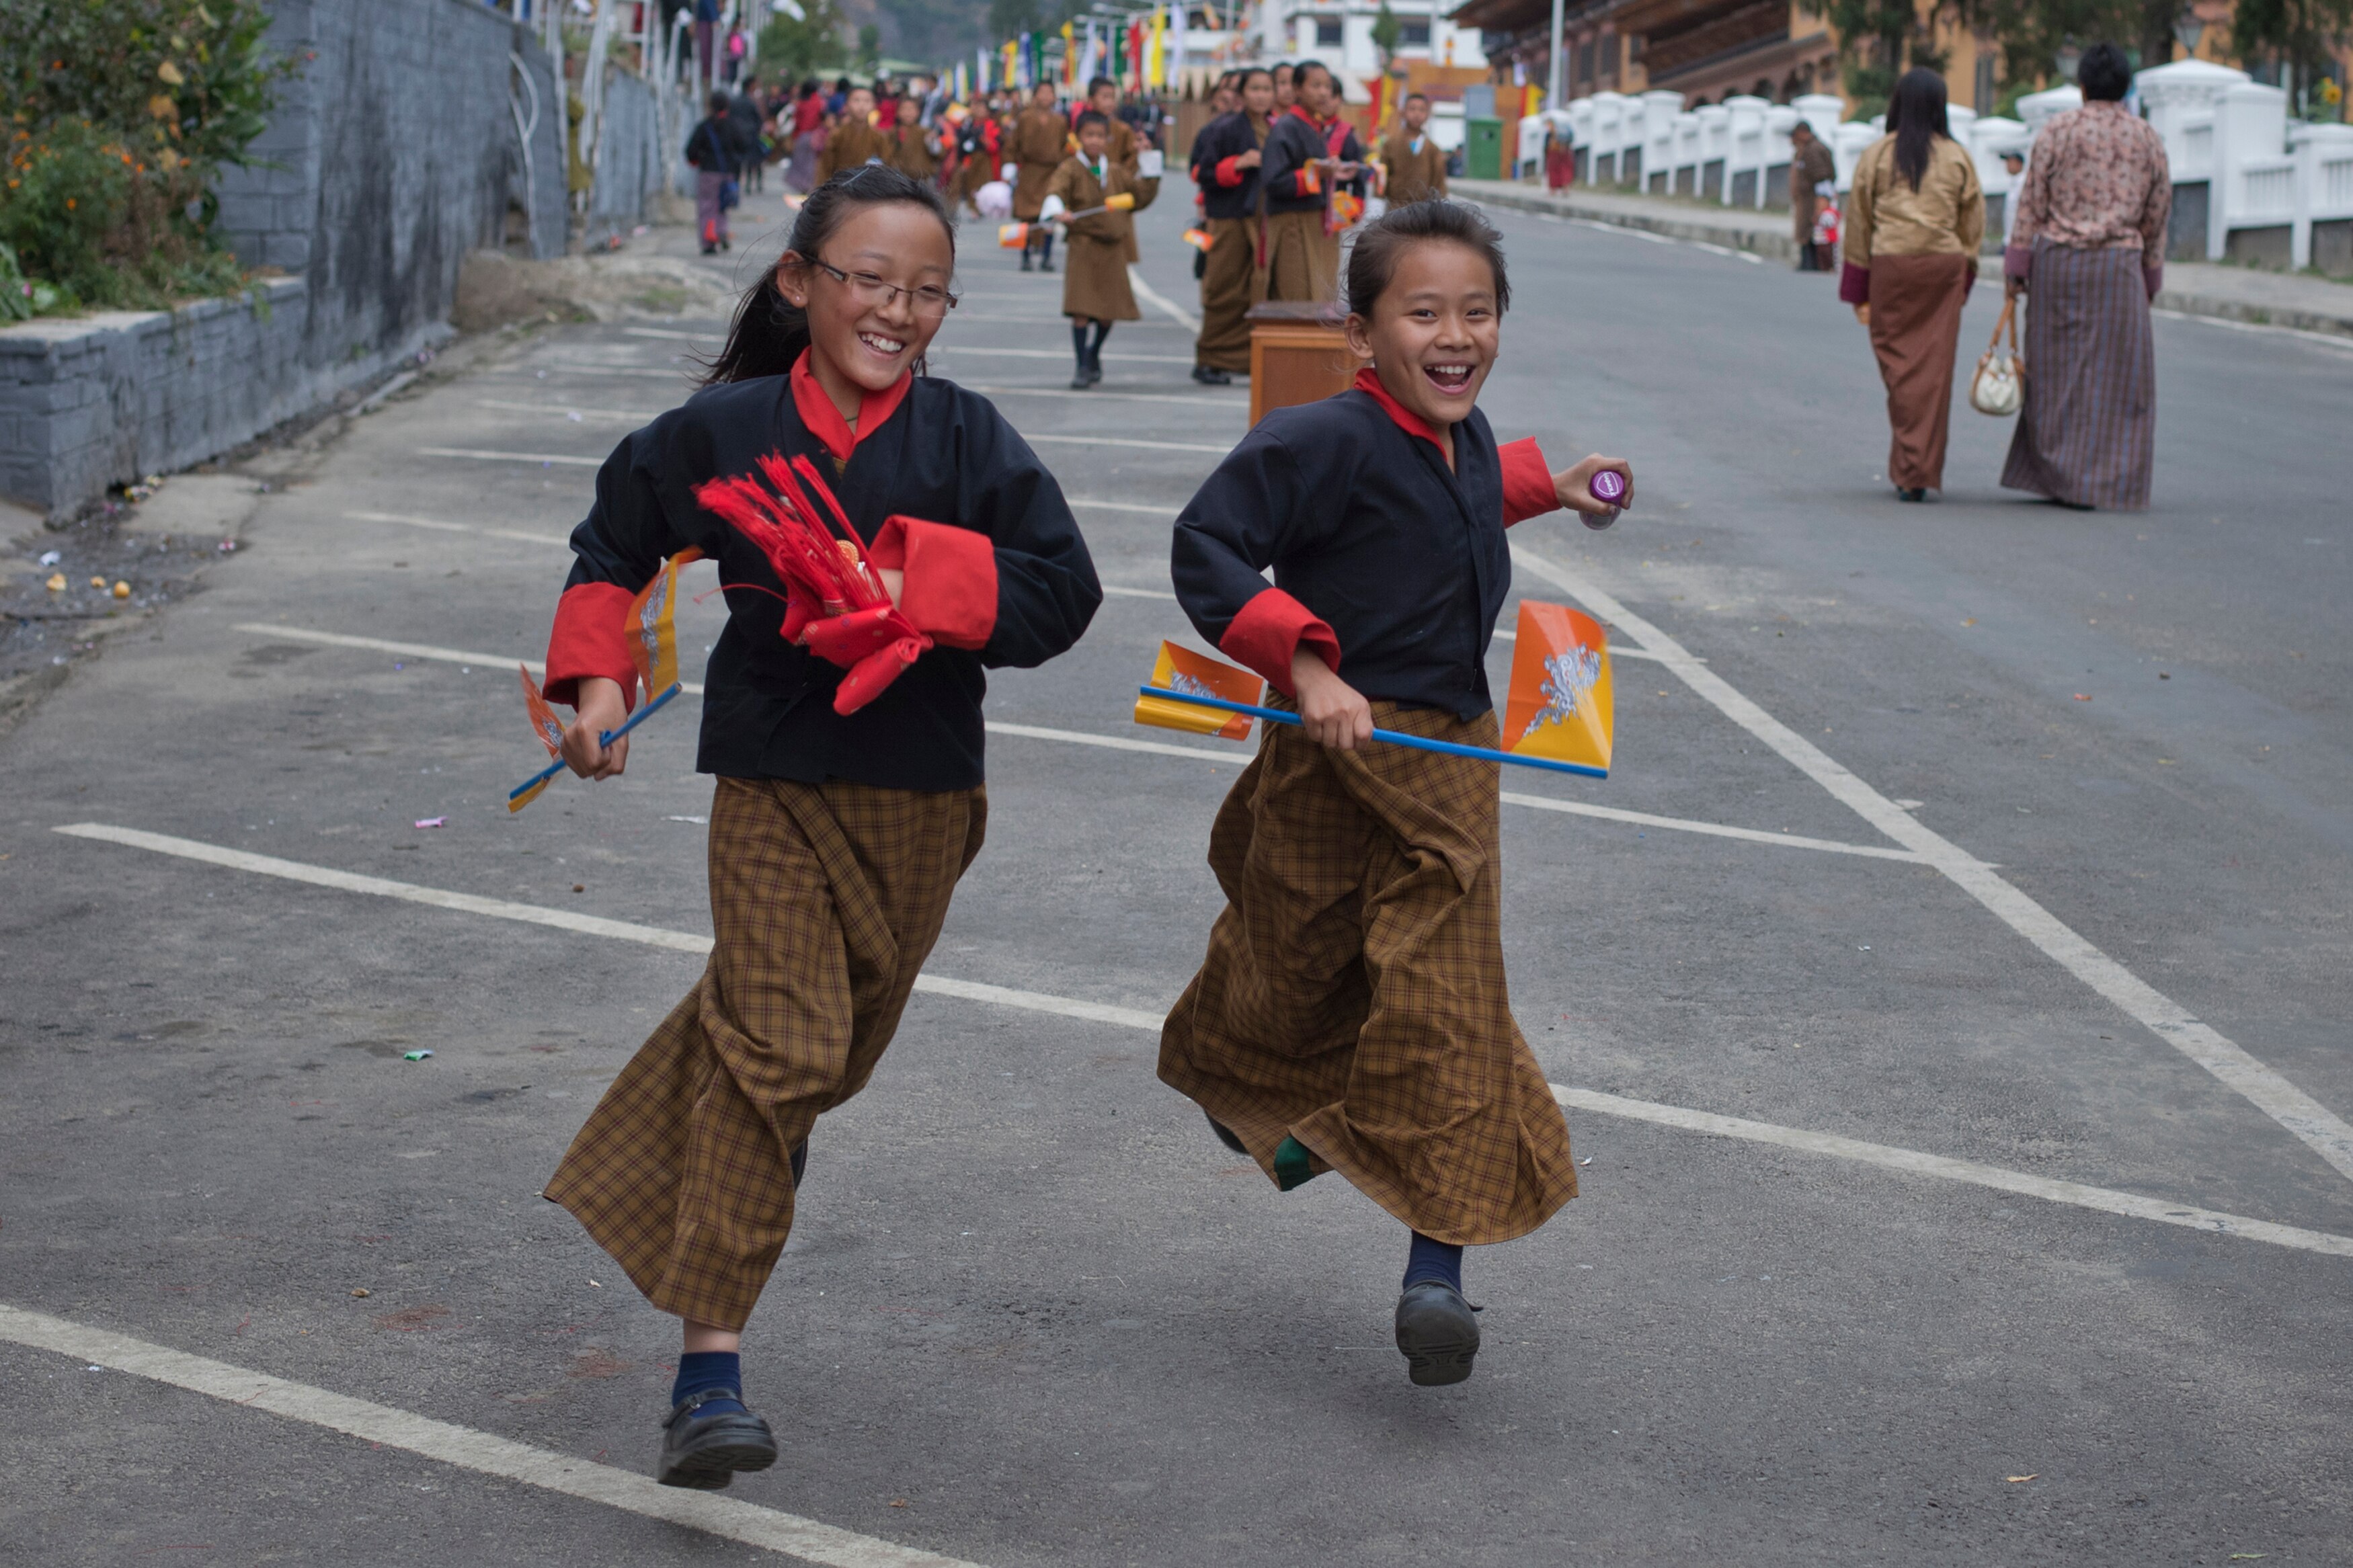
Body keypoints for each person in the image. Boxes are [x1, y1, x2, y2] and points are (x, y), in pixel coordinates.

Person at [538, 163, 1101, 1491]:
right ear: (799, 283)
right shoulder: (722, 431)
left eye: (925, 291)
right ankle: (708, 1372)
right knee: (779, 1037)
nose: (895, 311)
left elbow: (1062, 592)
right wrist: (595, 679)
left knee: (808, 1063)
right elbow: (612, 541)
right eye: (867, 279)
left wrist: (924, 580)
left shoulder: (967, 439)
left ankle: (680, 1168)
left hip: (923, 799)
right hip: (772, 781)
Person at [1160, 200, 1628, 1389]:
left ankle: (1438, 1265)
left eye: (1477, 311)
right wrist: (1307, 666)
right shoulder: (1318, 439)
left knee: (1445, 1004)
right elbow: (1207, 542)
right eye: (1424, 312)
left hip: (1449, 763)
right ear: (1363, 334)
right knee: (1295, 960)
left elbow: (1454, 502)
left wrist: (1547, 484)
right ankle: (1249, 1082)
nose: (1455, 333)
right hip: (1330, 745)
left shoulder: (1464, 435)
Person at [2001, 42, 2170, 511]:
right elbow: (2157, 213)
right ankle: (2110, 478)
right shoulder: (2147, 138)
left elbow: (2031, 203)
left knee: (2056, 371)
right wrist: (2150, 277)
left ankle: (2060, 474)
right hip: (2120, 267)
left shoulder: (2058, 130)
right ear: (2126, 86)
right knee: (2120, 377)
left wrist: (2016, 270)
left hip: (2061, 265)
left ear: (2082, 86)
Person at [1838, 67, 1983, 502]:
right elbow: (1972, 223)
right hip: (1942, 268)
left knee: (1900, 370)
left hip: (1891, 269)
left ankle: (1910, 466)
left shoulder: (1877, 154)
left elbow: (1859, 221)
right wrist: (1966, 275)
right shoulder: (1957, 156)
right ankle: (1919, 469)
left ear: (1897, 104)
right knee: (1934, 373)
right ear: (1940, 108)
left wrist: (1857, 286)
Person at [1046, 109, 1161, 388]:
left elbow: (1140, 197)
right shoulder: (1071, 168)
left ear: (1107, 138)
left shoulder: (1116, 171)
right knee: (1082, 310)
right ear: (1079, 137)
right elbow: (1055, 190)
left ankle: (1094, 352)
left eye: (1100, 135)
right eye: (1089, 135)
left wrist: (1148, 159)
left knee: (1109, 312)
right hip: (1083, 246)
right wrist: (1059, 210)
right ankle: (1081, 366)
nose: (1095, 141)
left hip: (1112, 249)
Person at [1189, 67, 1275, 384]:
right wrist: (1237, 164)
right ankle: (1209, 359)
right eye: (1255, 89)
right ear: (1242, 95)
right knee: (1224, 289)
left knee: (1255, 289)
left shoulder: (1276, 128)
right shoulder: (1223, 129)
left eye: (1267, 89)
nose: (1262, 95)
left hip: (1262, 220)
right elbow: (1203, 173)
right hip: (1228, 219)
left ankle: (1243, 361)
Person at [1259, 60, 1366, 302]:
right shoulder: (1287, 127)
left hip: (1314, 222)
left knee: (1315, 295)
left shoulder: (1311, 126)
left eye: (1327, 86)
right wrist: (1318, 174)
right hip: (1292, 225)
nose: (1323, 92)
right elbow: (1273, 181)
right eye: (1315, 85)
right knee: (1295, 298)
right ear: (1297, 89)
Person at [1012, 81, 1068, 272]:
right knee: (1026, 217)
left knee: (1049, 216)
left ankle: (1047, 256)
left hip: (1051, 173)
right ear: (1035, 96)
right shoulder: (1025, 118)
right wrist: (1010, 168)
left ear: (1054, 97)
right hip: (1029, 172)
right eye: (1042, 92)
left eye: (1049, 93)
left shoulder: (1060, 121)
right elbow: (1014, 145)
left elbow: (1064, 147)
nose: (1046, 97)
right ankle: (1025, 257)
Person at [686, 90, 745, 255]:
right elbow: (744, 146)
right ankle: (721, 232)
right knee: (722, 206)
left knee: (707, 207)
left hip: (709, 173)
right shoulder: (733, 125)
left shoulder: (704, 127)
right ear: (727, 106)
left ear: (710, 106)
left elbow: (690, 151)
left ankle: (708, 242)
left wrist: (700, 160)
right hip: (728, 174)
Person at [1380, 93, 1449, 206]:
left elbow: (1439, 179)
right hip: (1395, 206)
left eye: (1422, 110)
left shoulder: (1433, 149)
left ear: (1427, 115)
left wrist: (1438, 202)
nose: (1417, 114)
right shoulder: (1390, 144)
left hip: (1423, 208)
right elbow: (1382, 173)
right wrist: (1378, 200)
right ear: (1402, 112)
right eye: (1412, 109)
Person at [1789, 120, 1837, 271]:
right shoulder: (1806, 149)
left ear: (1803, 134)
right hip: (1806, 201)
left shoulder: (1813, 150)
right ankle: (1808, 265)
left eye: (1795, 136)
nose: (1793, 140)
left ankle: (1813, 266)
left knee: (1813, 232)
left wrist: (1821, 204)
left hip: (1813, 202)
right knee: (1806, 232)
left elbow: (1822, 178)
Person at [815, 84, 888, 183]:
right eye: (856, 100)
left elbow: (885, 167)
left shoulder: (879, 137)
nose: (862, 105)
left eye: (867, 101)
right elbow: (825, 167)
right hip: (839, 188)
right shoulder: (837, 135)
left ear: (874, 106)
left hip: (869, 190)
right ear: (846, 105)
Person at [882, 92, 937, 182]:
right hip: (898, 179)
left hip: (922, 179)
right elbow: (886, 155)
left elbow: (938, 154)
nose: (908, 113)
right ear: (898, 112)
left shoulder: (925, 132)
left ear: (918, 112)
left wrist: (933, 142)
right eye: (904, 109)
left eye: (911, 109)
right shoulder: (892, 132)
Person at [785, 80, 828, 195]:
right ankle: (810, 186)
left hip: (801, 136)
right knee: (811, 163)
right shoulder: (819, 101)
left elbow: (796, 120)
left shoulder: (801, 102)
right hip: (815, 135)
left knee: (800, 163)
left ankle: (802, 186)